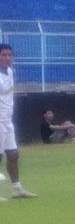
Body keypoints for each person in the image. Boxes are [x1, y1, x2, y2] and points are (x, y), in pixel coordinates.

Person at [0, 43, 37, 200]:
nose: (8, 58)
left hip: (8, 118)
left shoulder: (10, 71)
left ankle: (17, 188)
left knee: (14, 154)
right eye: (4, 55)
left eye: (10, 55)